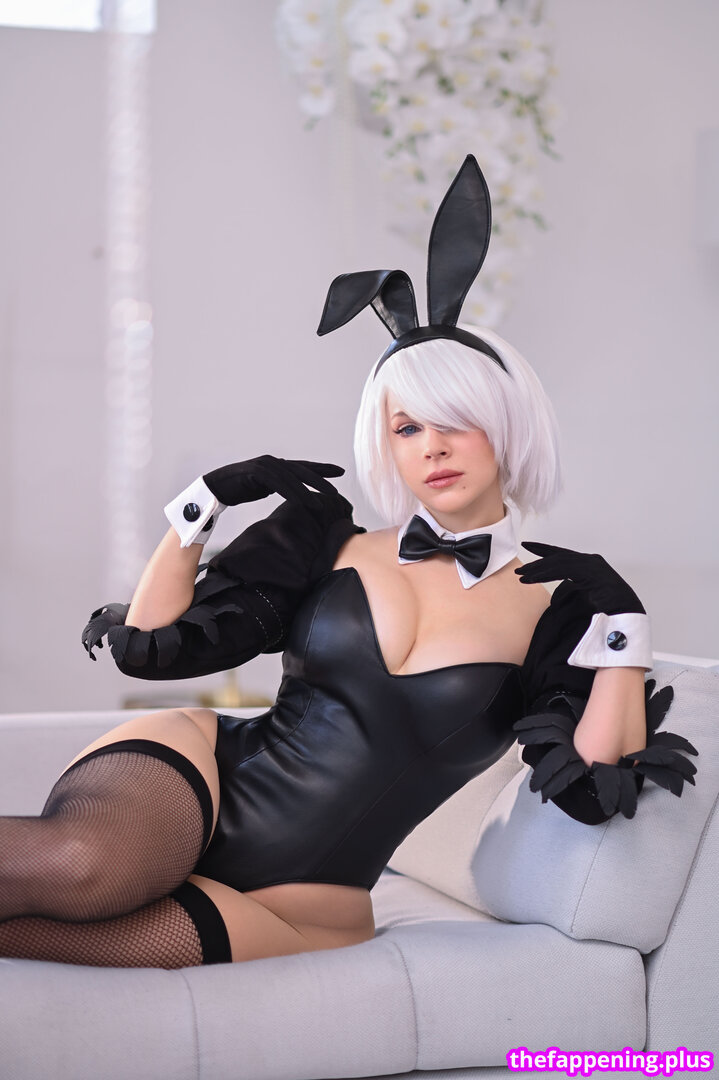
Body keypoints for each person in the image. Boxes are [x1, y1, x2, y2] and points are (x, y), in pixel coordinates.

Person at [0, 157, 697, 970]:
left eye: (455, 420)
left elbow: (593, 787)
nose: (432, 447)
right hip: (197, 777)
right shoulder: (324, 538)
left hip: (306, 903)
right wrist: (200, 508)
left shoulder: (561, 606)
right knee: (83, 865)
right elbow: (157, 648)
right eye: (407, 428)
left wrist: (624, 629)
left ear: (506, 423)